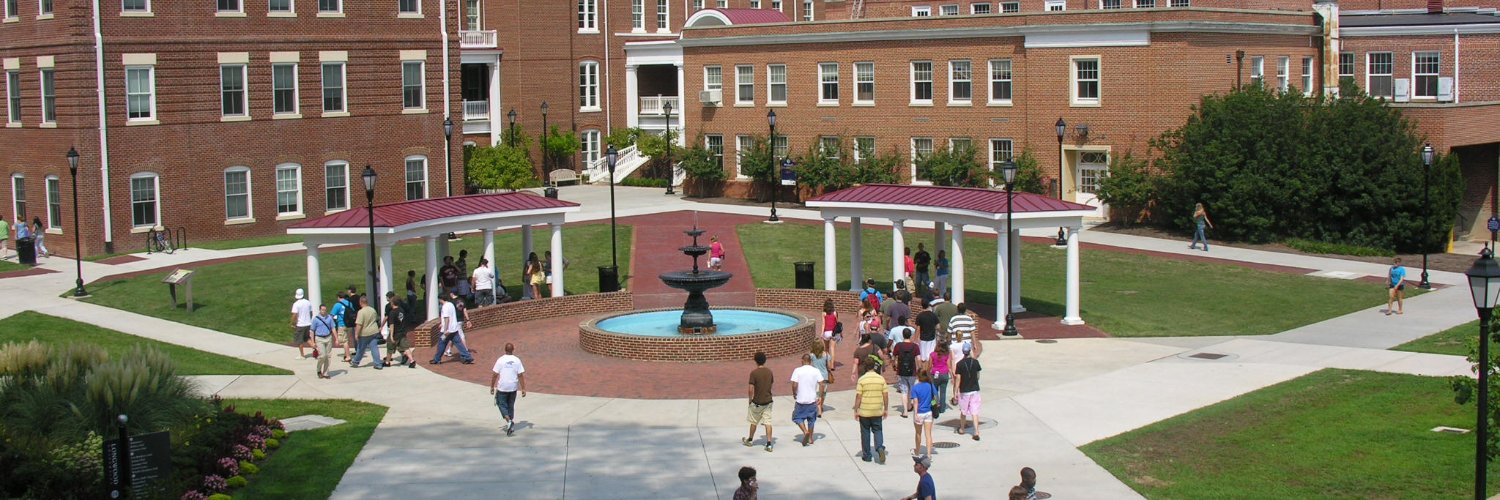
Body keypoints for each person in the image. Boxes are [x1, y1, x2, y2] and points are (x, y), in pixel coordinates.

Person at [854, 356, 889, 464]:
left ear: (865, 366)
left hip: (865, 411)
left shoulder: (862, 380)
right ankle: (879, 448)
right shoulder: (881, 379)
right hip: (877, 410)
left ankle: (867, 455)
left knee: (865, 433)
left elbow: (858, 396)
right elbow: (885, 395)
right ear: (874, 366)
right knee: (877, 430)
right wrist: (886, 409)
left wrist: (856, 410)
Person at [489, 342, 527, 436]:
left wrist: (492, 386)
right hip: (513, 386)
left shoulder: (500, 360)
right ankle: (511, 425)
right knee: (510, 405)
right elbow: (520, 375)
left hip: (502, 387)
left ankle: (509, 421)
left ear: (505, 349)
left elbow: (495, 374)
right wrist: (523, 388)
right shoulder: (517, 360)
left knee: (501, 403)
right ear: (513, 349)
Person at [430, 293, 475, 365]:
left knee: (441, 344)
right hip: (454, 329)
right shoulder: (451, 304)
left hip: (447, 330)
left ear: (441, 299)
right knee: (459, 343)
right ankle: (467, 357)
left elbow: (446, 318)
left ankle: (437, 359)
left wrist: (445, 329)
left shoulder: (445, 307)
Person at [743, 351, 776, 451]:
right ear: (765, 361)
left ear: (755, 361)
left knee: (754, 421)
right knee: (768, 422)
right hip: (768, 401)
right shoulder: (769, 372)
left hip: (757, 402)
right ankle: (769, 443)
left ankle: (750, 439)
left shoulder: (754, 373)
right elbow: (771, 384)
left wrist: (750, 400)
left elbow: (750, 389)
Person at [790, 353, 824, 446]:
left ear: (802, 361)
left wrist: (794, 393)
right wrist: (820, 396)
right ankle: (810, 438)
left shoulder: (797, 370)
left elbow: (794, 384)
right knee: (811, 420)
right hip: (812, 400)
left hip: (801, 399)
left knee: (797, 417)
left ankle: (805, 431)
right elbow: (822, 384)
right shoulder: (816, 371)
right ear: (810, 361)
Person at [951, 343, 982, 441]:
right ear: (969, 351)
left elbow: (958, 379)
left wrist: (955, 391)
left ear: (963, 352)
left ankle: (962, 429)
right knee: (975, 411)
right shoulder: (975, 362)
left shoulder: (959, 364)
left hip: (964, 390)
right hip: (975, 390)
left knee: (963, 411)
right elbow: (978, 376)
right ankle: (976, 431)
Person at [382, 291, 416, 369]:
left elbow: (392, 325)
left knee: (390, 347)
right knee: (406, 347)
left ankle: (387, 362)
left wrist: (391, 336)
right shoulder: (401, 310)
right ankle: (412, 361)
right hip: (402, 332)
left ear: (392, 303)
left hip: (395, 333)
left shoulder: (392, 313)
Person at [350, 294, 384, 370]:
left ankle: (355, 361)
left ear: (360, 302)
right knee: (374, 348)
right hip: (374, 331)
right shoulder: (373, 310)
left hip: (364, 333)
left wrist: (356, 334)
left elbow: (359, 324)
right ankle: (378, 364)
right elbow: (376, 319)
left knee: (360, 348)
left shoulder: (361, 312)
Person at [892, 326, 920, 417]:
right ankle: (912, 406)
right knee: (912, 389)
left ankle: (905, 411)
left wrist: (894, 365)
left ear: (903, 335)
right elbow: (918, 359)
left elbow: (894, 357)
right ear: (910, 335)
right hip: (912, 371)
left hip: (901, 370)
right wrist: (919, 368)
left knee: (904, 391)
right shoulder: (915, 346)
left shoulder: (898, 346)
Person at [910, 368, 936, 458]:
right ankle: (929, 454)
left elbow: (915, 402)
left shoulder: (915, 388)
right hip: (928, 412)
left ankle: (917, 451)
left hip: (919, 413)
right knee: (928, 434)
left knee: (918, 433)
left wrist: (916, 413)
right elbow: (935, 397)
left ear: (918, 376)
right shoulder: (930, 385)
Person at [310, 304, 336, 379]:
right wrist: (312, 342)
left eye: (325, 310)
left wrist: (336, 338)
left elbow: (333, 328)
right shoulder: (316, 319)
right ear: (320, 310)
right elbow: (312, 331)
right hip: (319, 338)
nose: (324, 311)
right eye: (322, 310)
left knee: (328, 356)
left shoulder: (329, 318)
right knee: (322, 355)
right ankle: (318, 370)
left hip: (328, 337)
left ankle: (325, 372)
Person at [331, 291, 357, 363]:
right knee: (347, 340)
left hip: (342, 324)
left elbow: (332, 315)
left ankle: (348, 356)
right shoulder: (349, 303)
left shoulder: (337, 305)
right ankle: (346, 353)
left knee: (344, 341)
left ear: (338, 297)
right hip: (349, 324)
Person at [930, 341, 953, 419]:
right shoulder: (946, 355)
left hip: (935, 374)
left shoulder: (932, 354)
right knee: (943, 392)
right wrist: (952, 376)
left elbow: (929, 366)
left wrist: (927, 374)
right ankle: (942, 408)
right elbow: (949, 366)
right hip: (944, 374)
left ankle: (934, 407)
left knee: (934, 393)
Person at [289, 288, 313, 359]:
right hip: (308, 323)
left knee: (300, 340)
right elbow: (311, 312)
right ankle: (317, 349)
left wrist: (292, 323)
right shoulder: (308, 302)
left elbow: (294, 315)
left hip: (300, 324)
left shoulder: (296, 304)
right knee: (307, 338)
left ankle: (302, 355)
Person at [809, 342, 832, 417]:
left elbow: (809, 364)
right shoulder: (826, 355)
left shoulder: (812, 355)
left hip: (815, 377)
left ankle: (819, 409)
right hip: (824, 376)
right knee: (823, 393)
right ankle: (820, 407)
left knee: (817, 393)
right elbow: (829, 366)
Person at [821, 299, 839, 372]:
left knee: (826, 349)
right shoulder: (835, 313)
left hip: (826, 332)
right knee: (832, 349)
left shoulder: (823, 313)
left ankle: (827, 364)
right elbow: (837, 324)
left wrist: (821, 333)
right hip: (833, 332)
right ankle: (832, 365)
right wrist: (840, 333)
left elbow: (823, 324)